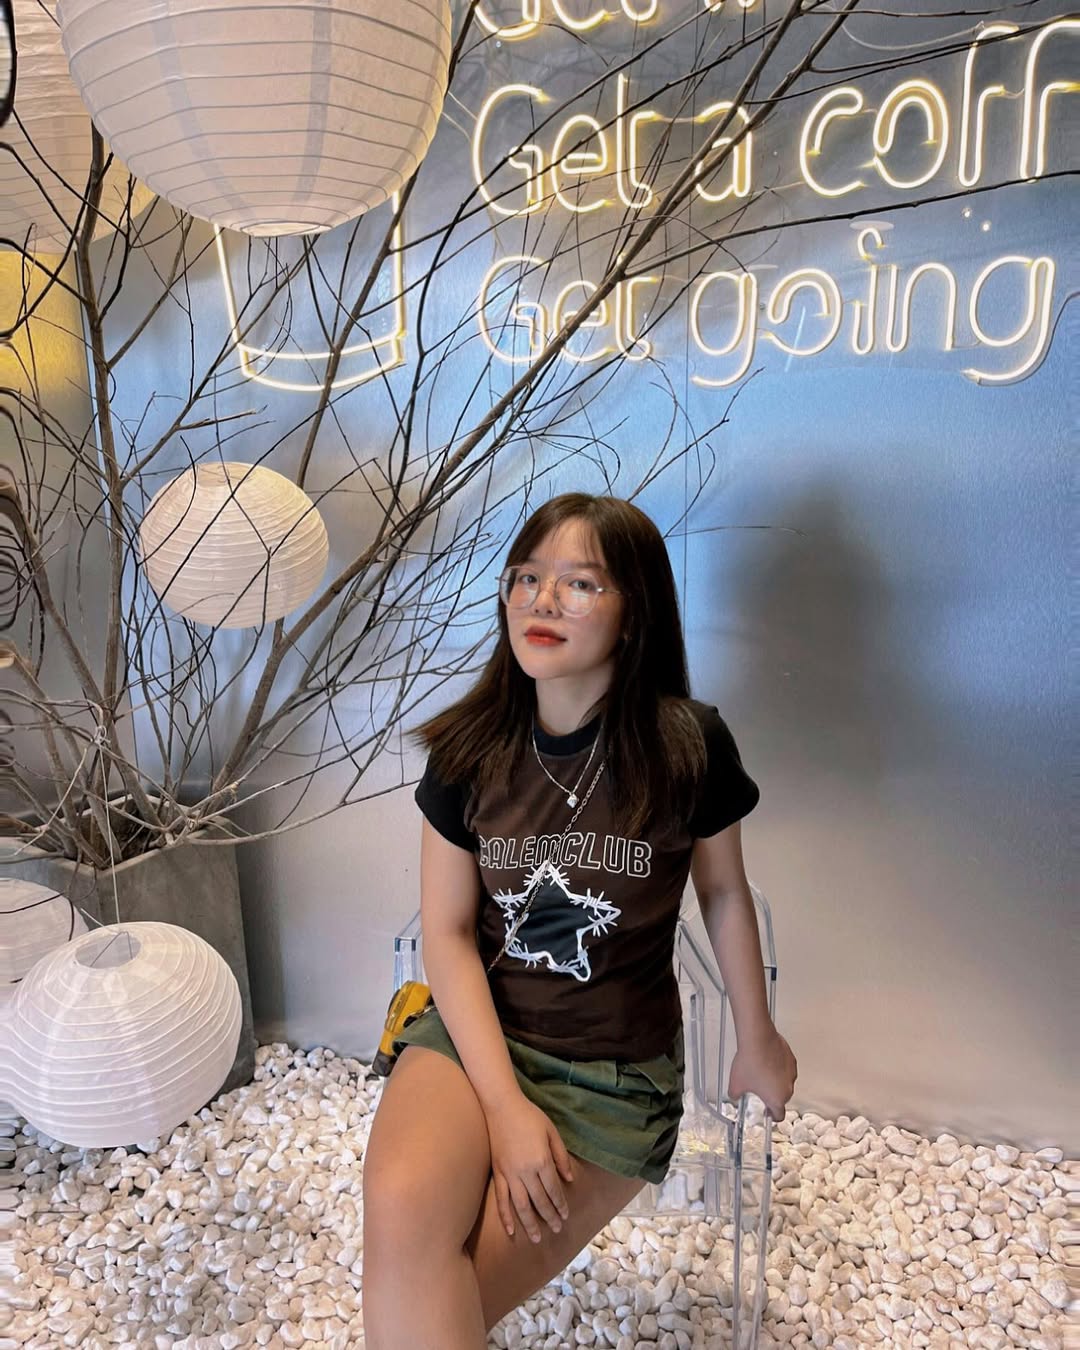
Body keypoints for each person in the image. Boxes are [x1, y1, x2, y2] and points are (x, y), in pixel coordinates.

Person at [362, 493, 797, 1348]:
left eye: (581, 583)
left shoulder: (688, 747)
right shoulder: (466, 751)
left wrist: (758, 1038)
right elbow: (446, 931)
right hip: (478, 1038)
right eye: (527, 577)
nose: (543, 600)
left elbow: (723, 894)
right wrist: (505, 1111)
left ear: (635, 613)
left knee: (443, 1292)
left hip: (614, 1078)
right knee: (402, 1215)